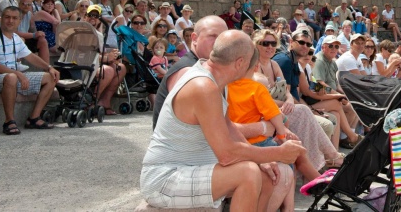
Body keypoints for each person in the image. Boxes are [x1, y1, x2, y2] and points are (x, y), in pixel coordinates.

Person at [140, 30, 304, 212]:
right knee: (248, 173)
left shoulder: (215, 80)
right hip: (165, 179)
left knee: (266, 176)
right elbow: (227, 154)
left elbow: (230, 128)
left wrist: (262, 160)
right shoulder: (203, 86)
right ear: (240, 62)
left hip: (190, 170)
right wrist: (278, 153)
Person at [253, 29, 344, 168]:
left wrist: (289, 100)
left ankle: (331, 157)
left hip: (285, 106)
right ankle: (330, 158)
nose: (270, 47)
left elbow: (291, 91)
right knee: (316, 117)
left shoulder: (279, 64)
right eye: (265, 43)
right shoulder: (277, 63)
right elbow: (306, 91)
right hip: (269, 111)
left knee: (332, 112)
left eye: (273, 43)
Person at [0, 6, 59, 135]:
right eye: (7, 17)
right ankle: (9, 121)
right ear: (1, 19)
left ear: (19, 21)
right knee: (11, 77)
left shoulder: (15, 38)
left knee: (50, 77)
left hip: (10, 77)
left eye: (14, 18)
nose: (10, 21)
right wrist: (18, 73)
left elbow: (30, 56)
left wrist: (49, 67)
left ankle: (34, 118)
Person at [279, 30, 363, 150]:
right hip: (302, 104)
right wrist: (336, 96)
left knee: (338, 112)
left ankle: (335, 149)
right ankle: (350, 137)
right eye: (331, 46)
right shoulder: (301, 64)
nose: (309, 56)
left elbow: (316, 86)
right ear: (323, 47)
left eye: (311, 51)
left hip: (307, 102)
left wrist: (339, 94)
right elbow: (309, 90)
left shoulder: (309, 66)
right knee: (339, 106)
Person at [152, 16, 228, 128]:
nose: (219, 42)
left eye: (223, 37)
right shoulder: (188, 71)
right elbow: (213, 126)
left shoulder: (200, 67)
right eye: (212, 36)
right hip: (180, 143)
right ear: (195, 38)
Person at [16, 0, 49, 64]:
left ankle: (47, 68)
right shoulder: (15, 14)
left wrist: (39, 35)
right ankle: (17, 66)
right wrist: (33, 35)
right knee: (21, 40)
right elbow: (14, 33)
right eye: (24, 4)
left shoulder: (29, 14)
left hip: (26, 38)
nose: (26, 6)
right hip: (15, 39)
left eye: (29, 4)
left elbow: (33, 29)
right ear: (19, 5)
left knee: (43, 40)